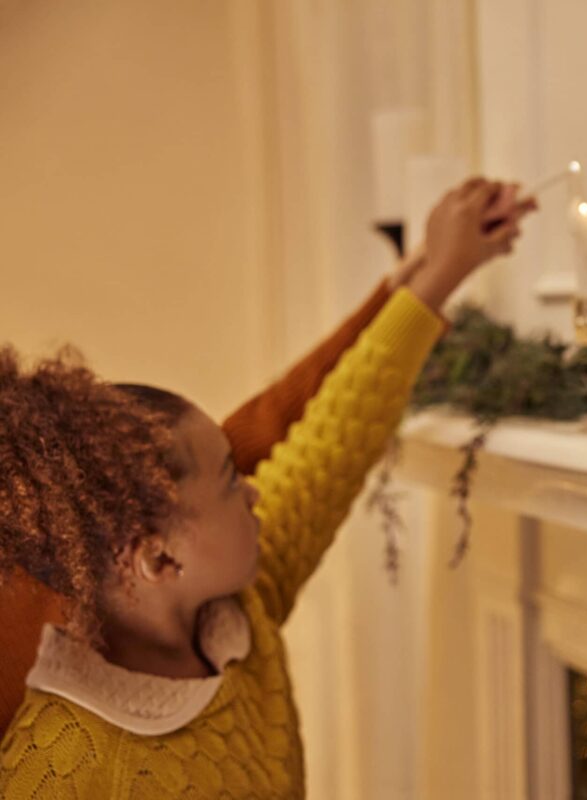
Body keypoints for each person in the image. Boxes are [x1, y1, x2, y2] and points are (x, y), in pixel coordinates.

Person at [0, 177, 534, 797]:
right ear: (160, 556)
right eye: (231, 481)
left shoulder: (239, 604)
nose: (256, 490)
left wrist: (434, 278)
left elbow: (337, 434)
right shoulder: (63, 769)